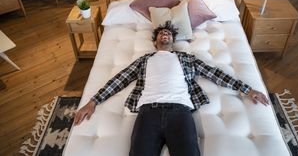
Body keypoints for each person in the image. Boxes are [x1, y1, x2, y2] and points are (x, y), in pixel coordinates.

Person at [74, 21, 269, 156]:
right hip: (148, 112)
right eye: (161, 33)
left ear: (173, 41)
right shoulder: (144, 60)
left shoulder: (186, 58)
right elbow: (120, 79)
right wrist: (93, 102)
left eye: (168, 33)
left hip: (180, 111)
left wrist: (247, 89)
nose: (165, 34)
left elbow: (214, 73)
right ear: (155, 41)